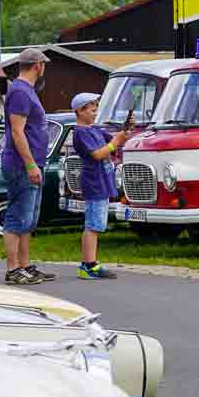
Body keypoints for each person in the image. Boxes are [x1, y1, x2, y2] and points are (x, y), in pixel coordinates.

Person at [1, 48, 54, 285]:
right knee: (17, 215)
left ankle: (25, 266)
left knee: (28, 218)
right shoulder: (20, 92)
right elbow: (17, 131)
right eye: (44, 65)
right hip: (21, 164)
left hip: (33, 163)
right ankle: (13, 269)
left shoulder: (27, 90)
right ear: (37, 66)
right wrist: (30, 164)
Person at [70, 92, 132, 280]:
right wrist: (114, 144)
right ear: (80, 111)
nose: (95, 113)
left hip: (102, 181)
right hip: (94, 182)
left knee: (97, 224)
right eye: (92, 110)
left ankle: (90, 263)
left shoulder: (93, 130)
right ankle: (88, 265)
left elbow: (116, 138)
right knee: (93, 225)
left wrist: (126, 130)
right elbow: (98, 154)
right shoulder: (80, 133)